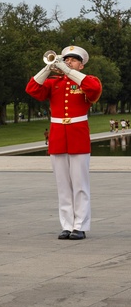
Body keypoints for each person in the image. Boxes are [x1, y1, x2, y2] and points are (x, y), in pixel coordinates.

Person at [25, 45, 102, 240]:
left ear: (81, 65)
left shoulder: (88, 80)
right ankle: (67, 225)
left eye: (74, 60)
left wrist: (69, 71)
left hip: (78, 135)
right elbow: (32, 88)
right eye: (66, 59)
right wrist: (49, 67)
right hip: (58, 136)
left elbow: (93, 89)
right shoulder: (54, 83)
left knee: (80, 184)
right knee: (63, 185)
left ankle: (81, 225)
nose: (69, 62)